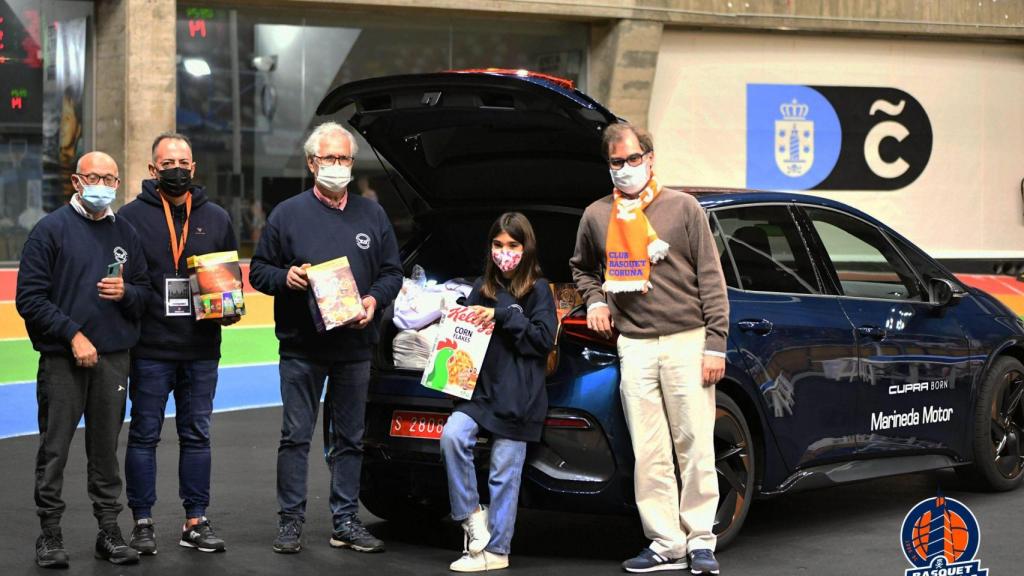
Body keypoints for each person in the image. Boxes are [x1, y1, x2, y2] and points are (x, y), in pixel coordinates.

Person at [569, 123, 729, 575]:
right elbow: (580, 267)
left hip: (687, 340)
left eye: (633, 159)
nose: (625, 169)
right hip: (634, 345)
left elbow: (712, 280)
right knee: (649, 450)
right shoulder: (596, 215)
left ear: (651, 158)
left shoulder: (684, 208)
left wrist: (715, 344)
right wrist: (597, 299)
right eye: (616, 162)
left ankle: (701, 539)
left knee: (694, 444)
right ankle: (665, 541)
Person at [249, 121, 403, 554]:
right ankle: (290, 523)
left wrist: (374, 301)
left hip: (355, 348)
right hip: (302, 347)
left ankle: (346, 521)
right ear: (311, 162)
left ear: (352, 164)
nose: (336, 166)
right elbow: (259, 271)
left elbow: (392, 270)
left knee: (351, 439)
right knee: (295, 436)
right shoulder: (287, 214)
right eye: (328, 158)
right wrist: (286, 276)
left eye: (344, 159)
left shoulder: (372, 214)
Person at [16, 151, 149, 568]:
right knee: (54, 449)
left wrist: (127, 293)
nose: (104, 186)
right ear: (76, 181)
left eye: (111, 178)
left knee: (106, 450)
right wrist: (73, 334)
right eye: (95, 177)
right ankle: (49, 534)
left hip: (114, 359)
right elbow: (30, 299)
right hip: (62, 361)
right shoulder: (49, 231)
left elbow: (145, 292)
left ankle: (108, 531)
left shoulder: (125, 231)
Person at [117, 132, 238, 555]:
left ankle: (196, 520)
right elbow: (125, 282)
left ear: (194, 168)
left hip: (202, 349)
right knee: (144, 435)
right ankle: (143, 522)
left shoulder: (217, 217)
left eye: (183, 162)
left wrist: (231, 306)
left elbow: (229, 280)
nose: (176, 169)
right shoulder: (129, 217)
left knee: (198, 435)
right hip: (150, 348)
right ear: (153, 170)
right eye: (167, 163)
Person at [440, 212, 556, 573]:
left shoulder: (539, 290)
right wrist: (459, 316)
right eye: (497, 245)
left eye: (512, 245)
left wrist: (504, 315)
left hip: (519, 398)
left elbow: (541, 341)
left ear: (526, 248)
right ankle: (473, 515)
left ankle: (497, 550)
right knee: (451, 438)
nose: (504, 252)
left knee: (504, 475)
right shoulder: (481, 287)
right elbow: (466, 337)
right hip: (479, 393)